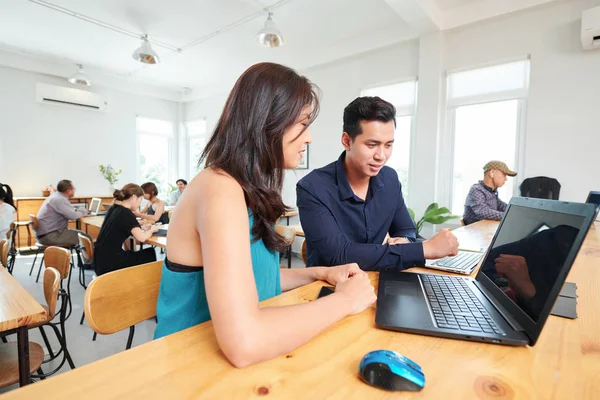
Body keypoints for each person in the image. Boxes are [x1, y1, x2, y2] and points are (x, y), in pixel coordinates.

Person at [154, 62, 376, 368]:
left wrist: (318, 273)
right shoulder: (219, 189)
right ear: (266, 124)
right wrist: (346, 301)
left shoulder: (243, 189)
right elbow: (245, 342)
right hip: (185, 365)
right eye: (302, 124)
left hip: (221, 360)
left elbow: (249, 279)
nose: (309, 137)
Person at [296, 96, 458, 271]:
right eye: (372, 145)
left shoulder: (389, 179)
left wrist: (405, 240)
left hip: (376, 279)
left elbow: (406, 229)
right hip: (327, 288)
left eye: (388, 145)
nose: (381, 156)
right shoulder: (312, 187)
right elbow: (339, 255)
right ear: (346, 141)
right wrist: (424, 249)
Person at [94, 184, 158, 276]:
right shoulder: (126, 213)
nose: (140, 203)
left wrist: (138, 226)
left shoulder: (114, 208)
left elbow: (122, 225)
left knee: (135, 254)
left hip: (100, 260)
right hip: (110, 264)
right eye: (140, 200)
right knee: (149, 253)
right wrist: (152, 229)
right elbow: (142, 238)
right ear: (134, 197)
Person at [463, 161, 517, 225]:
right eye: (504, 174)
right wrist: (508, 215)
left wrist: (515, 211)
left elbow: (502, 206)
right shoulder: (476, 189)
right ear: (492, 173)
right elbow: (483, 211)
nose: (506, 179)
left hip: (486, 229)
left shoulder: (492, 192)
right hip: (474, 231)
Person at [36, 179, 89, 245]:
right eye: (73, 189)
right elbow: (73, 216)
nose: (74, 191)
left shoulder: (55, 196)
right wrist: (85, 211)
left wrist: (78, 211)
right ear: (68, 191)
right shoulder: (60, 199)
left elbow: (70, 212)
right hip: (51, 235)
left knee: (81, 235)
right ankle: (93, 255)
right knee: (86, 238)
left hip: (46, 234)